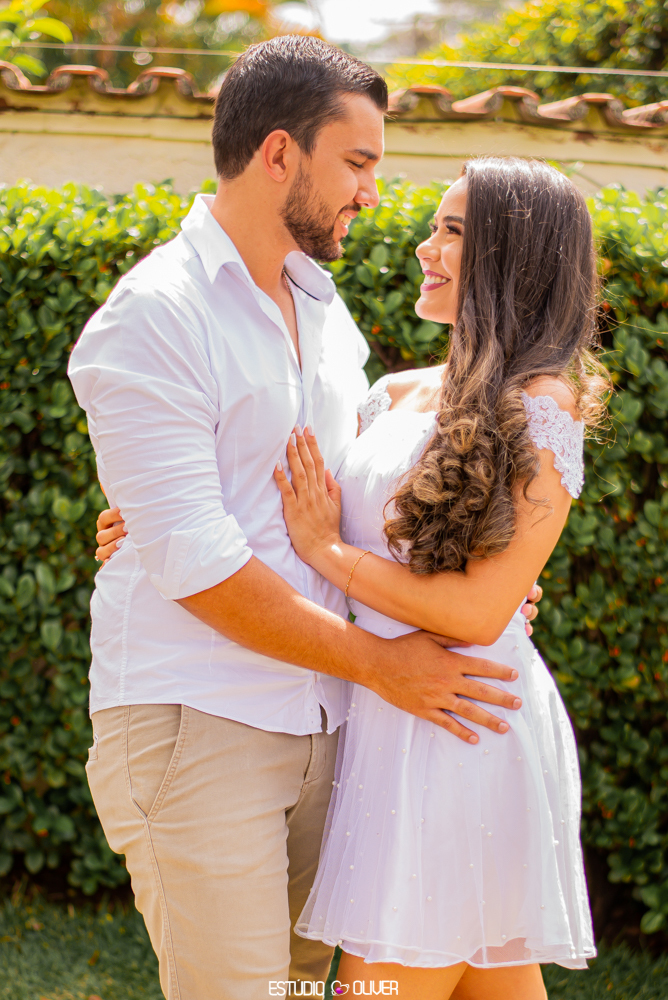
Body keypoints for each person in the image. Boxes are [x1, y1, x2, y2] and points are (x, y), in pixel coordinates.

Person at [70, 36, 538, 1000]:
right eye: (357, 162)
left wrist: (483, 589)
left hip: (331, 721)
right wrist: (387, 664)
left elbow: (368, 499)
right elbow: (195, 557)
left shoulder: (328, 315)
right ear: (279, 153)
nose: (373, 191)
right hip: (199, 719)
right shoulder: (153, 315)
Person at [272, 158, 609, 999]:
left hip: (461, 724)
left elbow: (478, 607)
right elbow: (280, 492)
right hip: (384, 716)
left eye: (453, 230)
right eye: (435, 226)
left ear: (514, 253)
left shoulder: (543, 403)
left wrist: (329, 555)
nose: (426, 246)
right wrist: (153, 518)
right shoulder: (390, 394)